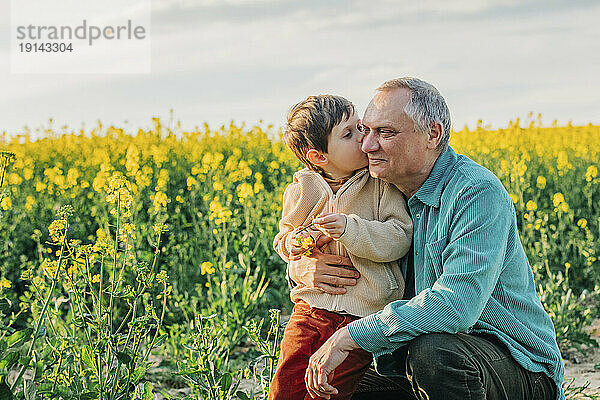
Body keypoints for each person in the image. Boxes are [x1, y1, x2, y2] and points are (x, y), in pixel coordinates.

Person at [289, 78, 565, 400]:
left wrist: (351, 335)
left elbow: (457, 307)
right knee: (316, 378)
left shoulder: (474, 192)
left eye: (386, 133)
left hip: (512, 364)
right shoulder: (378, 190)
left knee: (433, 352)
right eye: (366, 130)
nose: (367, 145)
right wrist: (302, 270)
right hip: (407, 363)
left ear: (432, 135)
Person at [269, 95, 413, 400]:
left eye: (359, 126)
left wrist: (351, 229)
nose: (363, 137)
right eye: (349, 134)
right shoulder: (301, 190)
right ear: (319, 157)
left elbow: (399, 238)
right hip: (309, 311)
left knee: (330, 389)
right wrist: (296, 243)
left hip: (360, 316)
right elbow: (284, 240)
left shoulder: (380, 185)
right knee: (286, 382)